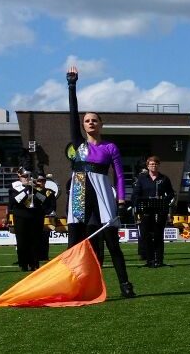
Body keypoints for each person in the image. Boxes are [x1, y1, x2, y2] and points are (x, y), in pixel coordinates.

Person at [63, 68, 135, 298]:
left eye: (95, 120)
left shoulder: (110, 147)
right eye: (87, 120)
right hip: (79, 195)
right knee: (74, 243)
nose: (90, 123)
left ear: (101, 124)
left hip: (103, 196)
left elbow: (120, 176)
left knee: (112, 242)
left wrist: (121, 201)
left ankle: (125, 285)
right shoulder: (79, 145)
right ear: (83, 125)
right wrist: (72, 86)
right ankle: (72, 287)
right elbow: (72, 114)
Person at [132, 156, 174, 268]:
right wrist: (138, 202)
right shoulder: (142, 178)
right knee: (146, 236)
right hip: (146, 211)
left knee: (159, 235)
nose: (153, 166)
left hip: (160, 211)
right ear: (147, 166)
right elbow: (136, 193)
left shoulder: (164, 178)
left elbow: (171, 194)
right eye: (151, 164)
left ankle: (159, 259)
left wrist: (164, 200)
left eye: (155, 164)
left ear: (158, 165)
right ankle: (149, 260)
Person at [9, 170, 54, 271]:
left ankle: (34, 263)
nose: (27, 178)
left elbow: (44, 200)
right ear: (20, 177)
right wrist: (26, 190)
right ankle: (23, 264)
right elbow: (15, 200)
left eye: (29, 176)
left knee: (35, 241)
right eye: (24, 176)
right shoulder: (14, 187)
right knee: (22, 241)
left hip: (35, 217)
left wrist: (34, 190)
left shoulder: (36, 189)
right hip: (21, 217)